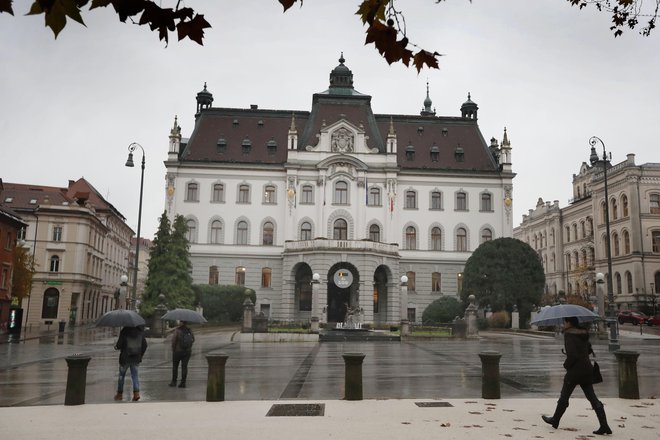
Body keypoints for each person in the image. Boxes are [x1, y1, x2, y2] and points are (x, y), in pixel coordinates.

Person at [542, 316, 612, 435]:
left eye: (565, 322)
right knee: (593, 398)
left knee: (564, 397)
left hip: (575, 372)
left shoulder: (569, 334)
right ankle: (604, 425)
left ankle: (555, 420)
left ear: (569, 323)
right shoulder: (583, 333)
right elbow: (588, 350)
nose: (563, 324)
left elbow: (573, 356)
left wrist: (566, 365)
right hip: (587, 369)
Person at [114, 325, 147, 402]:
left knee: (121, 376)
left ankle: (119, 395)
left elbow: (119, 345)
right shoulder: (140, 331)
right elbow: (145, 345)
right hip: (136, 358)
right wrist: (140, 355)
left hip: (125, 358)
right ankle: (136, 394)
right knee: (135, 376)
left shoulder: (124, 331)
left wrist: (116, 346)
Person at [170, 321, 195, 388]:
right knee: (184, 366)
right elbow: (193, 339)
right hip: (187, 352)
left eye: (180, 321)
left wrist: (173, 349)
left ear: (181, 323)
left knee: (175, 366)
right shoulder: (189, 330)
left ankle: (174, 382)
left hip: (177, 351)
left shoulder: (177, 330)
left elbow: (173, 341)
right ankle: (183, 383)